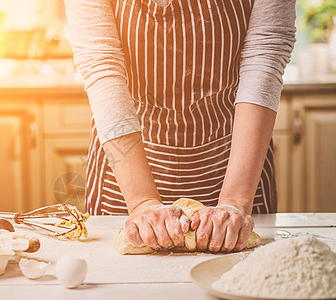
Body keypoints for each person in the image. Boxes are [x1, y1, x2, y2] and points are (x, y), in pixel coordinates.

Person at [64, 0, 296, 252]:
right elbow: (101, 64)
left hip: (233, 163)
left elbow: (266, 53)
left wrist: (235, 202)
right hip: (127, 173)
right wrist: (142, 202)